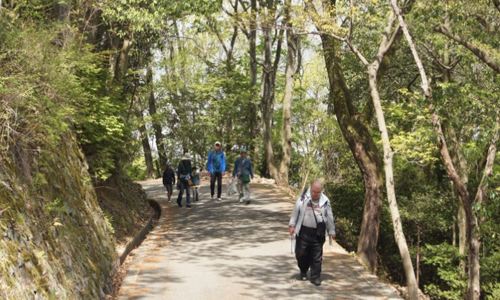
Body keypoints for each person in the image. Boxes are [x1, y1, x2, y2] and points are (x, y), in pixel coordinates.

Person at [288, 181, 336, 286]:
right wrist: (292, 225)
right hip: (304, 230)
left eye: (318, 192)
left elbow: (330, 216)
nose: (316, 194)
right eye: (314, 192)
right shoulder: (303, 197)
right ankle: (303, 270)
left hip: (318, 232)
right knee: (301, 254)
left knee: (317, 256)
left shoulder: (325, 201)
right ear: (311, 189)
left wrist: (332, 230)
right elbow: (296, 211)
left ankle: (315, 277)